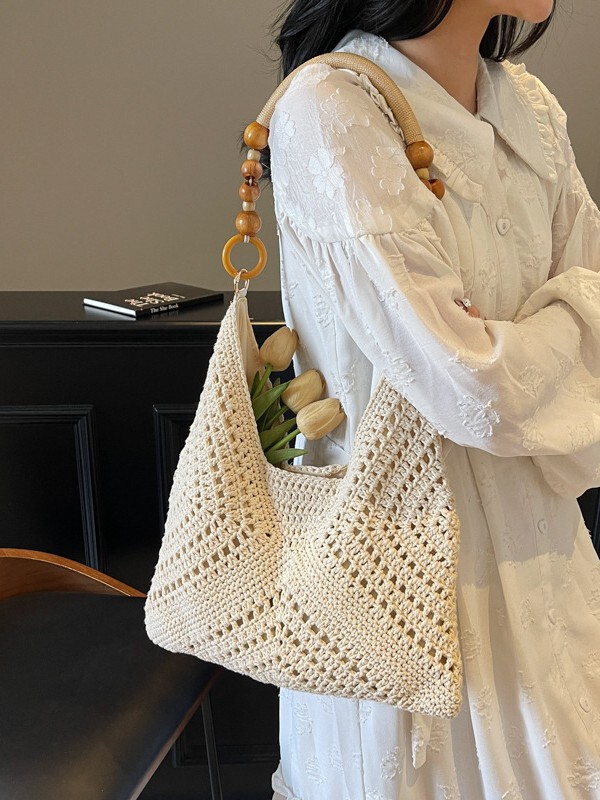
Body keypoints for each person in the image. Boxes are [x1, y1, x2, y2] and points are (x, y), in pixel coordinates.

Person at [264, 0, 600, 798]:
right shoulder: (330, 108)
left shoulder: (528, 106)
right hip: (398, 580)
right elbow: (478, 388)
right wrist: (565, 316)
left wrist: (507, 343)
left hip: (544, 557)